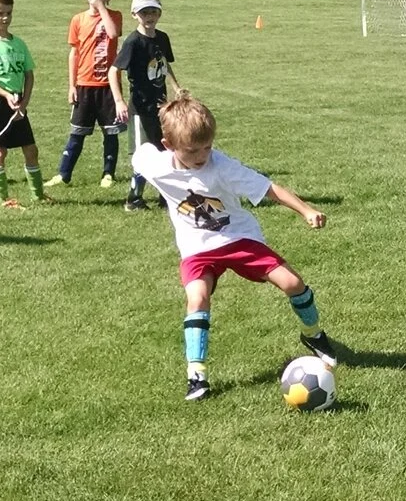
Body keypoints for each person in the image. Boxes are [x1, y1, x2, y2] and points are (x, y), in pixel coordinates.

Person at [133, 97, 339, 402]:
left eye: (207, 147)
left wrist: (306, 210)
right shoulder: (154, 164)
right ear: (169, 145)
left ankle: (314, 335)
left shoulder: (222, 167)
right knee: (197, 298)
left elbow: (268, 189)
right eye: (192, 151)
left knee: (292, 283)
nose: (202, 156)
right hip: (196, 247)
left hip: (238, 237)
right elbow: (140, 154)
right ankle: (196, 374)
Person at [0, 0, 49, 208]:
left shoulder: (18, 43)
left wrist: (24, 101)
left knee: (31, 149)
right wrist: (6, 94)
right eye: (0, 13)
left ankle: (38, 195)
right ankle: (4, 199)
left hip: (18, 103)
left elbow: (29, 74)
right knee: (0, 151)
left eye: (9, 13)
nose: (5, 18)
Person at [114, 0, 186, 212]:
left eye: (153, 11)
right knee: (143, 156)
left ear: (159, 13)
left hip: (162, 107)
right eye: (144, 12)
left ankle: (166, 196)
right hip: (141, 109)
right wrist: (119, 100)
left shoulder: (162, 38)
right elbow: (113, 71)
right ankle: (134, 199)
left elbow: (164, 63)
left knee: (166, 151)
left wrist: (176, 87)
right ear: (134, 14)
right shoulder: (133, 42)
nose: (149, 16)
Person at [57, 0, 124, 188]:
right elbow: (74, 53)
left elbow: (112, 33)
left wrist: (102, 7)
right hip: (84, 84)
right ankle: (64, 173)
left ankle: (108, 173)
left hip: (108, 86)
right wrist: (72, 85)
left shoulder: (114, 16)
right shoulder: (78, 20)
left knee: (110, 133)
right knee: (77, 133)